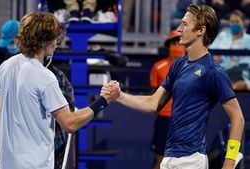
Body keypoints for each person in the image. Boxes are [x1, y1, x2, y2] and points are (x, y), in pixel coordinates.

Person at [102, 4, 244, 169]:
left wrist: (229, 161)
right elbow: (153, 103)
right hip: (170, 158)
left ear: (201, 30)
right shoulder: (178, 65)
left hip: (191, 160)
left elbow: (237, 117)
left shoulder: (213, 71)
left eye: (184, 24)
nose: (178, 29)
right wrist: (119, 95)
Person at [0, 11, 119, 169]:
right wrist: (104, 100)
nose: (57, 42)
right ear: (43, 41)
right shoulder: (45, 78)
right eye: (54, 37)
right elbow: (70, 124)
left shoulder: (4, 67)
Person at [0, 19, 75, 169]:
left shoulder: (53, 77)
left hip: (44, 154)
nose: (13, 45)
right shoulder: (6, 69)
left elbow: (67, 117)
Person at [149, 30, 185, 169]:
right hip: (164, 120)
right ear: (168, 46)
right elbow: (153, 96)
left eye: (179, 43)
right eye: (173, 43)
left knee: (183, 161)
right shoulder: (158, 67)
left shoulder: (193, 66)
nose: (176, 46)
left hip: (184, 120)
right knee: (160, 160)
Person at [210, 10, 250, 90]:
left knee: (240, 85)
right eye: (232, 22)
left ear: (243, 22)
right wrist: (214, 58)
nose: (234, 24)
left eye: (237, 21)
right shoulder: (222, 36)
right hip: (222, 72)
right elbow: (210, 52)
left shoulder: (248, 39)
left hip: (241, 74)